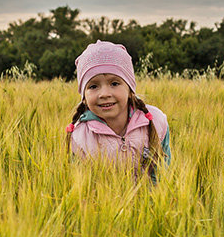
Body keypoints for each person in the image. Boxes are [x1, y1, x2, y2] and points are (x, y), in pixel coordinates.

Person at [65, 40, 171, 181]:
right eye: (93, 86)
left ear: (130, 88)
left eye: (114, 83)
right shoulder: (80, 137)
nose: (104, 94)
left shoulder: (156, 123)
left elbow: (163, 178)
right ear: (84, 96)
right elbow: (82, 189)